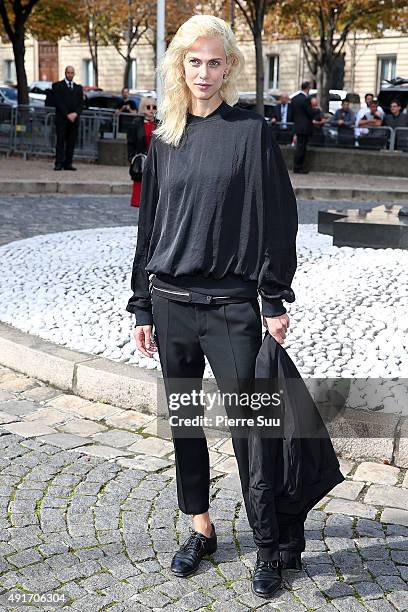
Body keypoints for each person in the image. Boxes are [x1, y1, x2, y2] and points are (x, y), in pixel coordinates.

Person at [126, 15, 341, 599]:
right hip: (170, 304)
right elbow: (150, 227)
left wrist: (274, 296)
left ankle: (270, 544)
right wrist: (142, 304)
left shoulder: (250, 133)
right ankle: (200, 529)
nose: (203, 72)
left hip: (232, 308)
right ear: (179, 65)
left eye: (214, 62)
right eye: (193, 61)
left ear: (230, 68)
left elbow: (277, 220)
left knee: (256, 431)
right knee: (186, 424)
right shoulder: (163, 135)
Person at [127, 97, 158, 207]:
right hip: (141, 159)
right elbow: (130, 143)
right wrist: (131, 158)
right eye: (148, 107)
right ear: (143, 109)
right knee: (139, 182)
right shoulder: (135, 124)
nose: (151, 110)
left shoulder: (159, 125)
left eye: (154, 107)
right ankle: (138, 202)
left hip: (155, 159)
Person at [52, 66, 83, 171]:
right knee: (60, 141)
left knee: (71, 142)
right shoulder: (58, 86)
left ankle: (68, 163)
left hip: (74, 120)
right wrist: (67, 114)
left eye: (72, 73)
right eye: (68, 72)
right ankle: (59, 162)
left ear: (74, 74)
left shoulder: (78, 88)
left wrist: (76, 114)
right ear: (65, 73)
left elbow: (81, 104)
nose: (70, 75)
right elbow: (58, 102)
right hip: (62, 119)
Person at [291, 81, 315, 173]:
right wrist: (316, 112)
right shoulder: (305, 99)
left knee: (299, 147)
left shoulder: (295, 98)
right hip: (304, 127)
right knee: (301, 148)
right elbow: (309, 112)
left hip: (297, 126)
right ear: (307, 88)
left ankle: (297, 166)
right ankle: (298, 167)